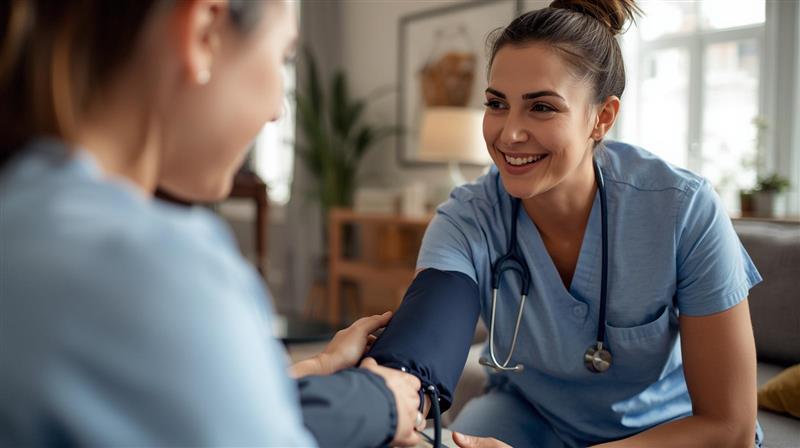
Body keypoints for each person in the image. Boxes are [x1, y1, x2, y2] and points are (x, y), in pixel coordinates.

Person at [0, 0, 423, 446]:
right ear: (204, 31)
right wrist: (373, 404)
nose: (277, 110)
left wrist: (316, 368)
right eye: (282, 57)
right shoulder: (154, 265)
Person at [366, 1, 764, 447]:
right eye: (497, 104)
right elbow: (427, 339)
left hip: (664, 432)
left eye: (541, 108)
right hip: (530, 416)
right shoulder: (468, 217)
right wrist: (390, 398)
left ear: (602, 117)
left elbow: (731, 428)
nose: (509, 134)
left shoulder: (684, 211)